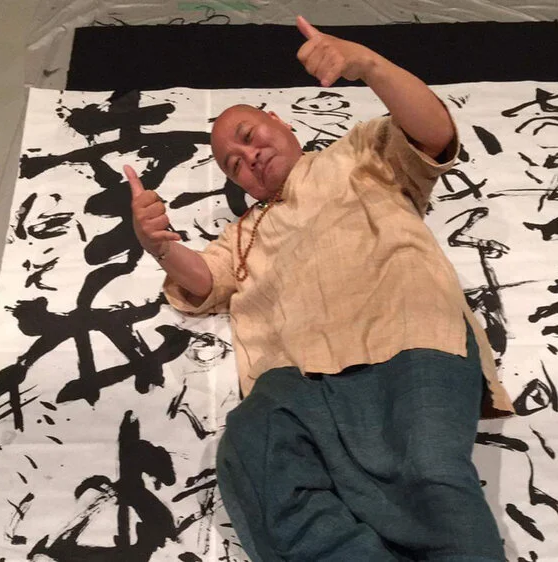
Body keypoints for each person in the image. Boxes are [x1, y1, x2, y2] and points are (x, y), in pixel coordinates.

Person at [125, 15, 515, 562]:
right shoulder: (242, 233)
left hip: (406, 334)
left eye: (248, 137)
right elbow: (206, 282)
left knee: (427, 475)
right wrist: (160, 245)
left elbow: (432, 134)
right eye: (235, 166)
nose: (248, 157)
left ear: (279, 121)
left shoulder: (360, 153)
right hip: (296, 377)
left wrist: (369, 65)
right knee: (253, 453)